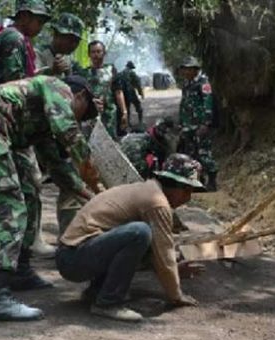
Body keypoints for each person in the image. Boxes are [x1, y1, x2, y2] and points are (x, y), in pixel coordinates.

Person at [0, 75, 100, 321]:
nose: (79, 119)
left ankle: (19, 270)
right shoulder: (56, 87)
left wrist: (88, 193)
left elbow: (56, 164)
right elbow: (67, 129)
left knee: (29, 192)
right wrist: (89, 166)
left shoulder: (40, 119)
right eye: (83, 113)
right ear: (79, 96)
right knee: (8, 206)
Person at [56, 153, 204, 322]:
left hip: (72, 255)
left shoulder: (146, 190)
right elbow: (164, 253)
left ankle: (97, 291)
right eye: (187, 190)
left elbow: (156, 251)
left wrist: (173, 269)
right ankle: (108, 302)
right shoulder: (157, 201)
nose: (188, 198)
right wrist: (176, 295)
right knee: (139, 232)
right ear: (175, 186)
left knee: (143, 238)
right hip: (73, 258)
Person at [0, 0, 54, 258]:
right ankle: (27, 241)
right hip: (8, 122)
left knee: (14, 182)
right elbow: (16, 85)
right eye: (39, 20)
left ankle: (20, 240)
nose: (40, 26)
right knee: (29, 181)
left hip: (0, 120)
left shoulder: (14, 37)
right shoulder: (14, 38)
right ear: (25, 16)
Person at [177, 56, 218, 191]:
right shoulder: (187, 84)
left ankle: (212, 180)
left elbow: (208, 103)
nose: (184, 72)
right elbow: (183, 105)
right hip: (188, 126)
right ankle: (197, 182)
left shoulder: (203, 83)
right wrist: (181, 124)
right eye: (183, 69)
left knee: (203, 153)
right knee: (191, 155)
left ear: (195, 69)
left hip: (200, 125)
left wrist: (206, 123)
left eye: (187, 69)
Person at [83, 40, 127, 139]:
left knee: (110, 141)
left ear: (104, 53)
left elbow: (118, 92)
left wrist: (124, 112)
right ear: (89, 54)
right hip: (91, 114)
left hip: (109, 114)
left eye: (99, 51)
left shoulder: (111, 70)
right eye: (93, 52)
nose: (96, 55)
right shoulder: (84, 73)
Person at [34, 12, 84, 78]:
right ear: (56, 35)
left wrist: (69, 74)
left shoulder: (68, 60)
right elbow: (29, 79)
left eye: (77, 41)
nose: (73, 45)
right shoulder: (38, 53)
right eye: (70, 39)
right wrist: (51, 70)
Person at [118, 60, 144, 126]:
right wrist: (141, 93)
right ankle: (140, 122)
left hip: (123, 93)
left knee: (127, 108)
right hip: (131, 92)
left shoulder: (121, 73)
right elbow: (138, 84)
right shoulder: (132, 73)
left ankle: (128, 123)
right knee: (138, 106)